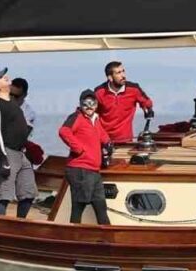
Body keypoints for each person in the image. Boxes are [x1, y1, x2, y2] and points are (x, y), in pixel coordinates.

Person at [0, 68, 36, 218]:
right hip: (7, 152)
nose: (6, 76)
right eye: (1, 77)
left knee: (28, 193)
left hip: (20, 153)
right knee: (4, 195)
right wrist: (3, 158)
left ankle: (20, 223)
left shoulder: (11, 101)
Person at [58, 90, 113, 225]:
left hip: (94, 171)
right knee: (79, 206)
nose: (89, 107)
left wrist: (108, 144)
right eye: (85, 103)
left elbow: (102, 135)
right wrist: (78, 148)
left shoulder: (95, 119)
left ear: (96, 104)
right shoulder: (77, 117)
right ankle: (73, 235)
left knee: (101, 207)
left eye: (92, 103)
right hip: (80, 169)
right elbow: (64, 131)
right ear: (80, 104)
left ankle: (107, 236)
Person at [95, 60, 154, 143]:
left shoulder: (134, 89)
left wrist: (147, 108)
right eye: (118, 73)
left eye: (123, 71)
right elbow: (91, 114)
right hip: (104, 141)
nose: (123, 75)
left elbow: (147, 102)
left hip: (126, 141)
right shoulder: (99, 92)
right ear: (110, 77)